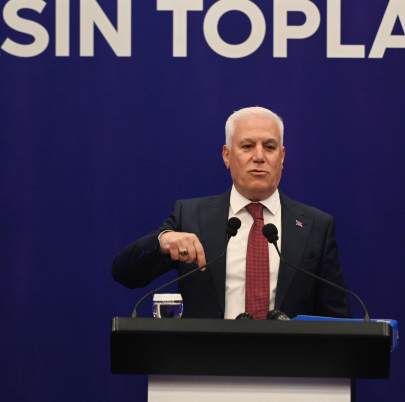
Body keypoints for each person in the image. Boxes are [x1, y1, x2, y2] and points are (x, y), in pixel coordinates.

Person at [112, 107, 351, 319]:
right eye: (247, 146)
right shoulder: (192, 216)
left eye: (270, 147)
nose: (259, 157)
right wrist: (162, 241)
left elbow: (337, 320)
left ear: (282, 157)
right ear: (227, 156)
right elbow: (125, 274)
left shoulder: (316, 225)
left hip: (288, 355)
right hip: (209, 355)